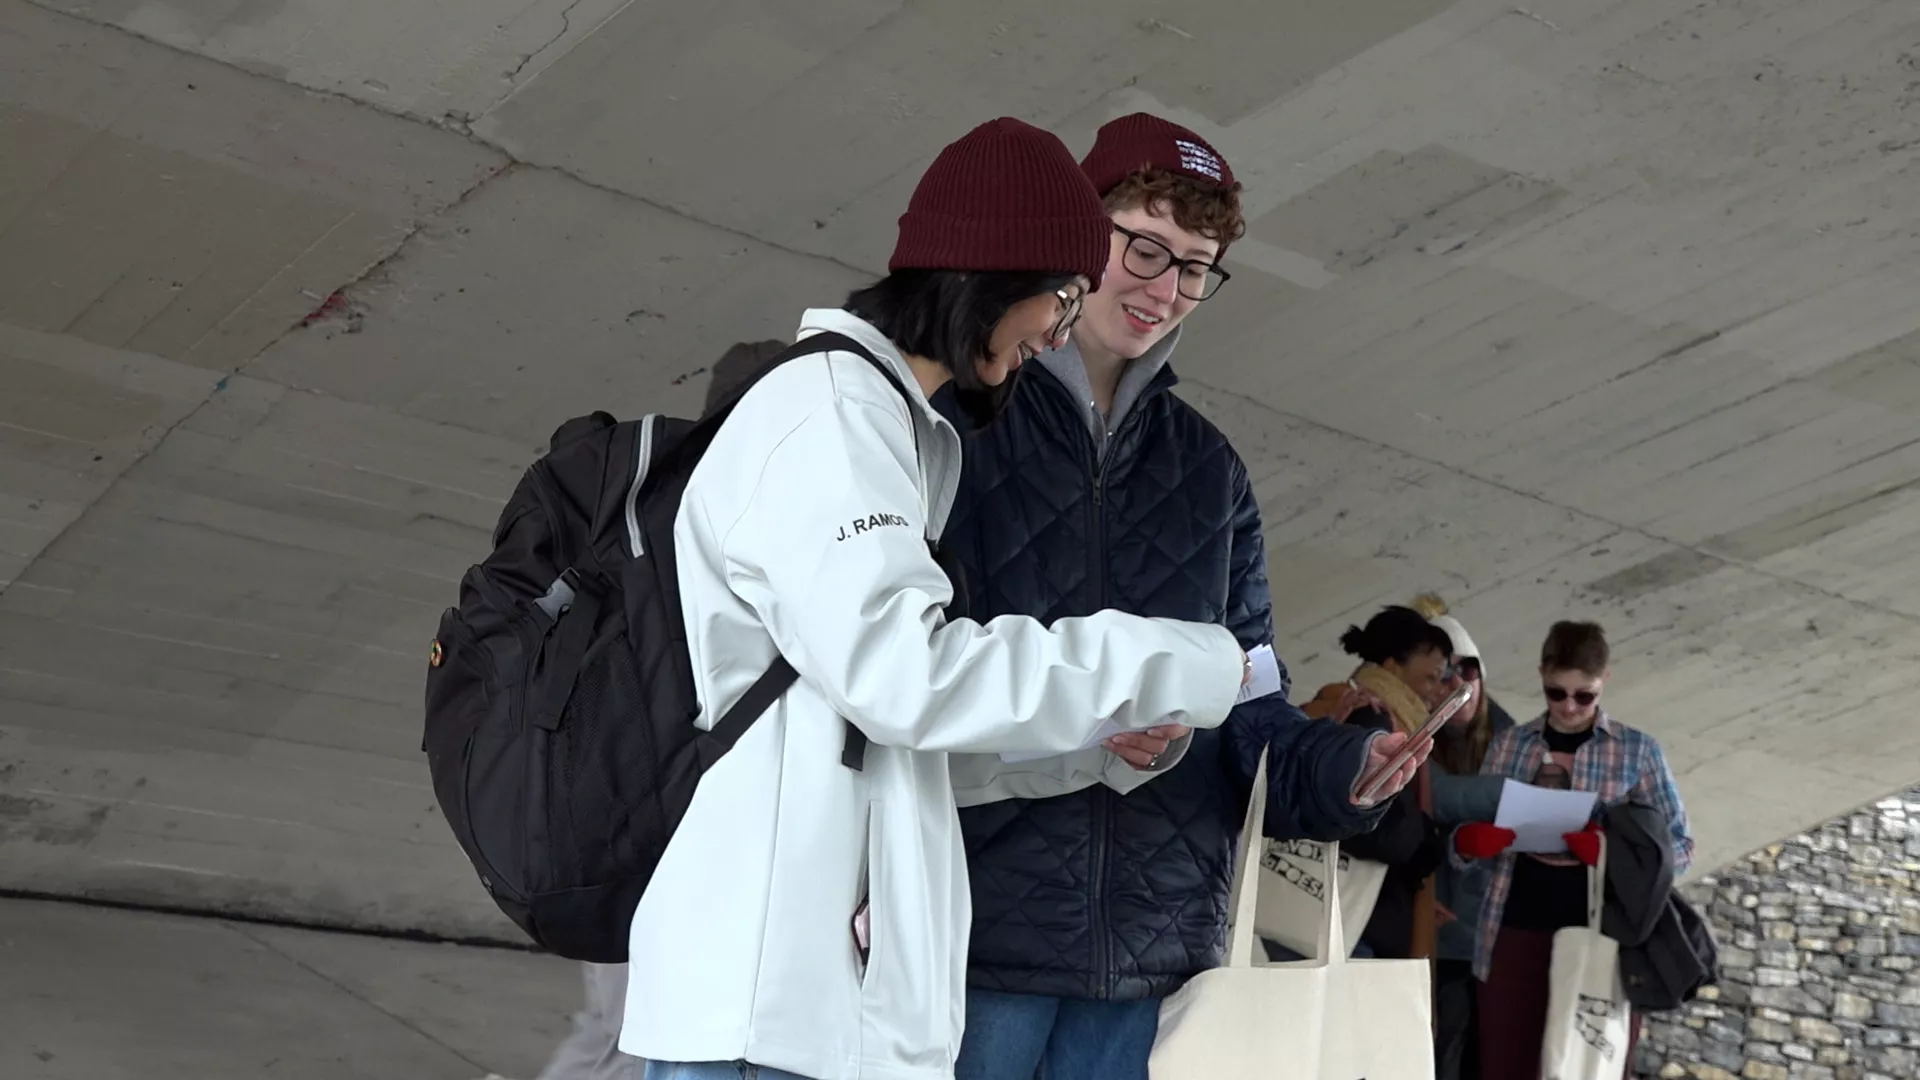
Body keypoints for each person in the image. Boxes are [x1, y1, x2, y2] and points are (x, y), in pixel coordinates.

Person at [619, 117, 1260, 1080]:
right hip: (766, 1010)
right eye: (1063, 289)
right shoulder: (831, 415)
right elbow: (905, 679)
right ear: (994, 273)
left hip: (829, 1010)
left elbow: (896, 751)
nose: (1059, 323)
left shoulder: (899, 430)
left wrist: (1089, 757)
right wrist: (1183, 658)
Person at [938, 114, 1422, 1080]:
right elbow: (902, 672)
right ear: (1080, 234)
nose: (1165, 289)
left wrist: (1346, 769)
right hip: (969, 920)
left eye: (1195, 266)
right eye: (1144, 248)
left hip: (1146, 947)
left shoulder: (1212, 472)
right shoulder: (960, 419)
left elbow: (1249, 703)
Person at [1453, 620, 1693, 1080]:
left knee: (1588, 1067)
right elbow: (1470, 842)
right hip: (1511, 933)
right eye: (1555, 692)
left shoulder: (1638, 752)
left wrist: (1608, 853)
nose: (1568, 706)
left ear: (1605, 681)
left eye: (1584, 695)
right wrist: (1467, 842)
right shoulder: (1509, 745)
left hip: (1602, 941)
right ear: (1542, 674)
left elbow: (1679, 848)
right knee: (1505, 1064)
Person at [1303, 605, 1456, 961]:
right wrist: (1425, 842)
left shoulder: (1358, 711)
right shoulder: (1369, 718)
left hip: (1355, 913)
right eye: (1431, 678)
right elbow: (1373, 824)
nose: (1438, 691)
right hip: (1356, 919)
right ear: (1391, 668)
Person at [1409, 594, 1515, 1080]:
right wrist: (1523, 793)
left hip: (1500, 943)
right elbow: (1442, 796)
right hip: (1442, 943)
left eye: (1467, 670)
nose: (1459, 684)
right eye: (1444, 675)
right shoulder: (1411, 735)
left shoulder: (1514, 738)